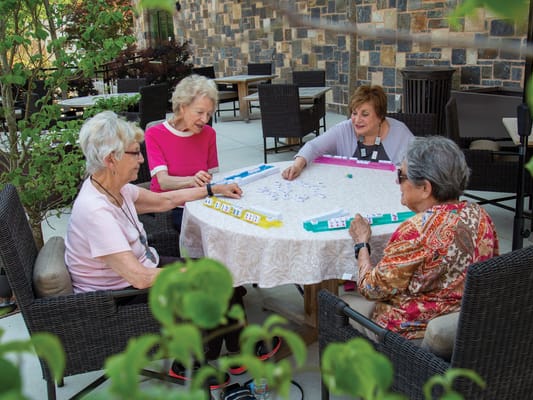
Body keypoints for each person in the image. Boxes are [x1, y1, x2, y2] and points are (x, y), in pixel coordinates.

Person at [64, 111, 244, 389]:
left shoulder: (114, 188)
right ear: (111, 159)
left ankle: (233, 348)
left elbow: (164, 200)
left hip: (141, 269)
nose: (142, 160)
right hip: (118, 297)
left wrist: (213, 189)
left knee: (223, 273)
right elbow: (140, 279)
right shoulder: (95, 210)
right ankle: (191, 365)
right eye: (135, 153)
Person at [346, 136, 499, 341]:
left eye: (401, 176)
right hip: (468, 327)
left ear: (425, 188)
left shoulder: (415, 231)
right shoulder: (480, 216)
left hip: (411, 333)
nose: (397, 182)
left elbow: (370, 288)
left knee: (340, 302)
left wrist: (361, 243)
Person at [282, 84, 414, 180]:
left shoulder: (400, 133)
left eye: (365, 114)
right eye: (354, 113)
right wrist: (297, 166)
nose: (357, 120)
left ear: (380, 116)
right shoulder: (344, 129)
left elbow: (419, 165)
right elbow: (313, 146)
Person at [144, 74, 220, 231]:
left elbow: (214, 177)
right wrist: (192, 181)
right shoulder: (155, 133)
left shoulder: (209, 134)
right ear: (183, 107)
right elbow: (163, 182)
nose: (205, 119)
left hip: (201, 202)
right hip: (171, 207)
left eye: (209, 114)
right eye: (199, 112)